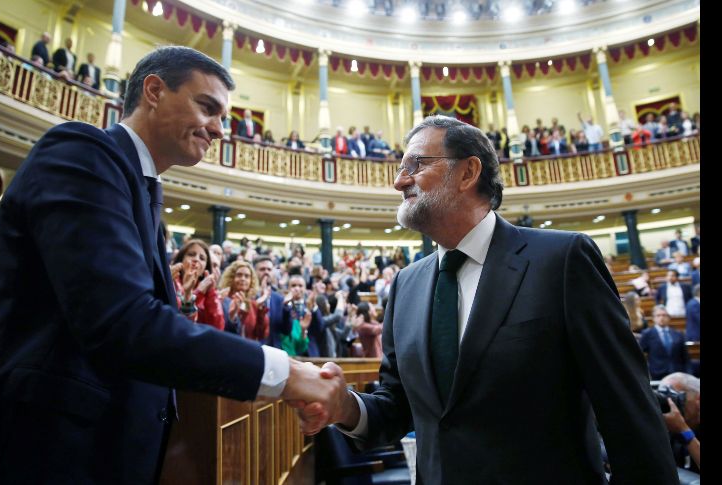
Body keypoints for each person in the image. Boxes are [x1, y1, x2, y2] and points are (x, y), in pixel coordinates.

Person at [0, 46, 343, 484]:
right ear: (153, 90)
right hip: (45, 450)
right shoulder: (81, 153)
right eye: (208, 108)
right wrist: (286, 374)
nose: (220, 130)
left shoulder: (142, 191)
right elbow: (123, 322)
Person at [296, 115, 678, 484]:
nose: (399, 181)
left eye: (416, 164)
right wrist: (344, 407)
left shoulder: (561, 261)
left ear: (468, 172)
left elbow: (628, 411)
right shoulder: (405, 285)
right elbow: (398, 408)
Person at [169, 238, 224, 329]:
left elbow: (218, 327)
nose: (196, 259)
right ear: (181, 260)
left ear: (204, 269)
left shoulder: (209, 290)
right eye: (191, 254)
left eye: (202, 258)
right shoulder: (171, 281)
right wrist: (198, 292)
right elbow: (177, 320)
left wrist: (210, 292)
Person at [219, 260, 270, 341]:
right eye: (239, 275)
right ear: (231, 277)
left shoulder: (253, 305)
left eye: (247, 276)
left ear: (251, 280)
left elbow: (261, 334)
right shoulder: (222, 300)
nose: (243, 278)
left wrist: (261, 311)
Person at [660, 372, 700, 472]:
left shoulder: (680, 428)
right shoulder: (671, 427)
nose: (671, 405)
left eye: (675, 397)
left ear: (698, 399)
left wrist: (684, 432)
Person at [640, 305, 691, 380]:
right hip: (657, 374)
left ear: (669, 318)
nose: (661, 318)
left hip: (678, 374)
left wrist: (689, 375)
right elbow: (640, 354)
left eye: (664, 315)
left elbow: (686, 357)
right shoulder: (648, 334)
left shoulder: (678, 334)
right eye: (658, 315)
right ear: (653, 318)